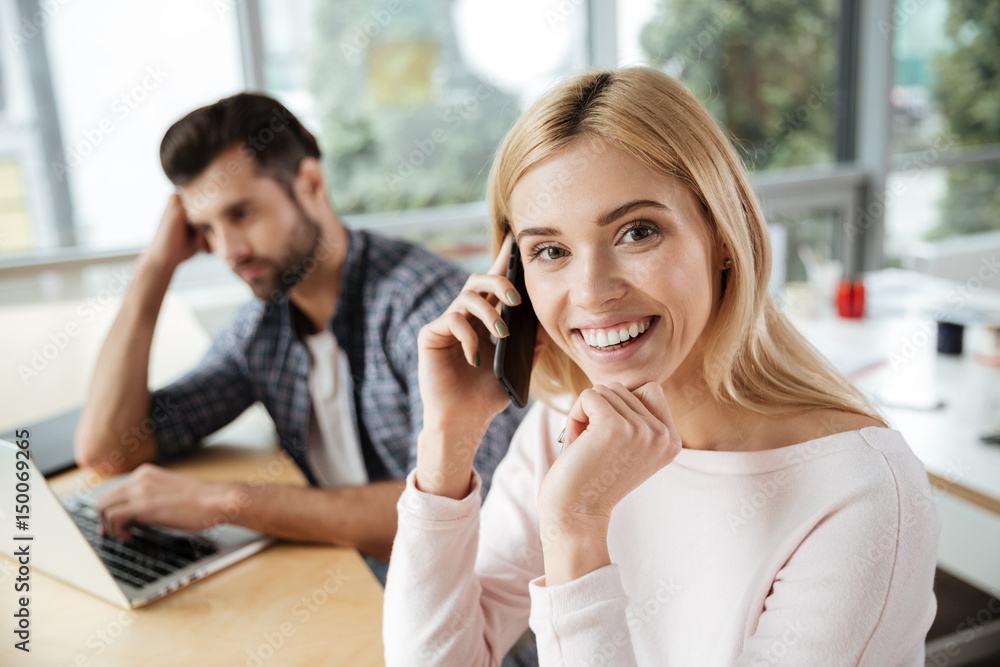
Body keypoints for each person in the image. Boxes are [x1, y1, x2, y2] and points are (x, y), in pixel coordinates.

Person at [382, 67, 939, 665]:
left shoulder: (862, 491)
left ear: (723, 235)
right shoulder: (563, 426)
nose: (592, 292)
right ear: (513, 275)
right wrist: (448, 440)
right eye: (550, 251)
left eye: (637, 232)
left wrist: (576, 530)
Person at [72, 93, 524, 573]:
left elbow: (459, 517)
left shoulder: (425, 308)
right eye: (205, 228)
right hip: (344, 579)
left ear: (310, 182)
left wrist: (228, 501)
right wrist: (154, 269)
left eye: (241, 213)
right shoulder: (262, 330)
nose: (227, 250)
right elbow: (108, 448)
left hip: (461, 614)